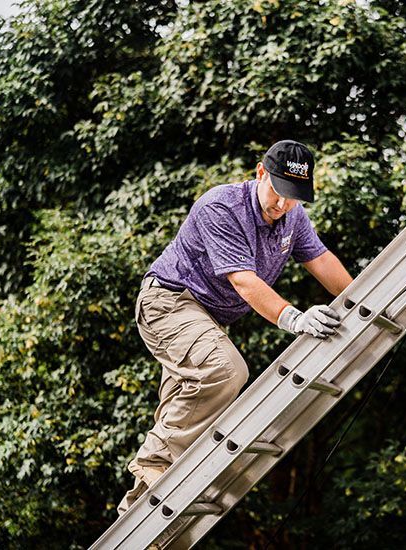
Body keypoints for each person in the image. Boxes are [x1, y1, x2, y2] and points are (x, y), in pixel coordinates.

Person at [117, 140, 353, 515]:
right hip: (169, 303)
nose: (283, 205)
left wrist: (362, 301)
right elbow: (244, 281)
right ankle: (151, 465)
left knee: (185, 419)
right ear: (261, 173)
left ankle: (136, 519)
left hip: (207, 320)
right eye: (278, 193)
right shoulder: (222, 206)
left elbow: (321, 260)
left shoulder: (293, 217)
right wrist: (296, 319)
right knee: (225, 370)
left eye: (293, 197)